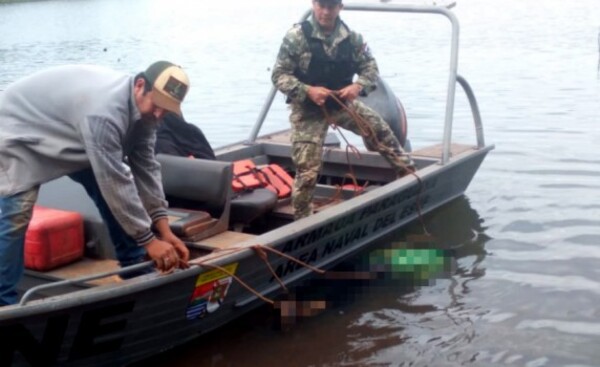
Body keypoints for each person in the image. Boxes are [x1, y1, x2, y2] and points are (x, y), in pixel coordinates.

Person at [0, 61, 191, 306]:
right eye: (157, 105)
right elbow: (114, 181)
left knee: (114, 192)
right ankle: (4, 304)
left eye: (166, 110)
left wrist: (164, 231)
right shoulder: (104, 113)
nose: (158, 114)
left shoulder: (146, 115)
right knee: (17, 216)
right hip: (15, 132)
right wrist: (149, 241)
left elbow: (146, 169)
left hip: (70, 132)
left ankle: (134, 267)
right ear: (140, 85)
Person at [271, 0, 414, 220]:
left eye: (331, 7)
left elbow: (370, 69)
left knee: (381, 132)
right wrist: (307, 90)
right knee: (307, 169)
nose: (325, 12)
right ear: (314, 4)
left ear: (340, 7)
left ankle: (413, 181)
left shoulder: (353, 39)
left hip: (342, 104)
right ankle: (302, 220)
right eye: (321, 6)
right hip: (309, 110)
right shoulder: (296, 37)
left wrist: (357, 87)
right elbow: (279, 75)